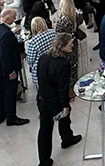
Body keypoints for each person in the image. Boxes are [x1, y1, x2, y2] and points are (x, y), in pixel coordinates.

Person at [35, 32, 82, 166]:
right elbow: (63, 88)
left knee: (44, 130)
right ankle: (66, 138)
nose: (71, 47)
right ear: (62, 46)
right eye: (69, 45)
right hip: (56, 101)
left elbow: (40, 79)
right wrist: (65, 106)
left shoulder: (43, 58)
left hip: (43, 99)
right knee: (64, 117)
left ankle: (44, 160)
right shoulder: (63, 64)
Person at [0, 9, 28, 126]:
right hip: (7, 68)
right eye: (13, 18)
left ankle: (0, 114)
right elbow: (5, 55)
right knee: (10, 93)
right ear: (7, 18)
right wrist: (11, 71)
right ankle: (11, 117)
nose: (14, 20)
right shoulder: (6, 34)